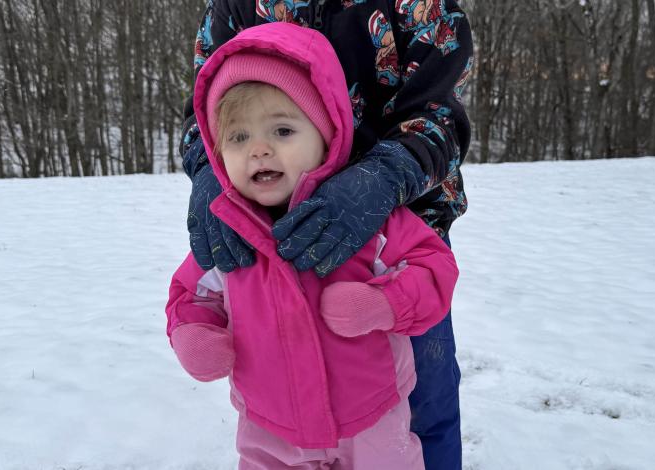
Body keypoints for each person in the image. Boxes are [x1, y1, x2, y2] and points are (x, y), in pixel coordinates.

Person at [180, 2, 472, 468]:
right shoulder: (235, 4)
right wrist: (209, 172)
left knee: (422, 404)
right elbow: (207, 100)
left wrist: (384, 176)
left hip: (398, 227)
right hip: (265, 212)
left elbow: (440, 110)